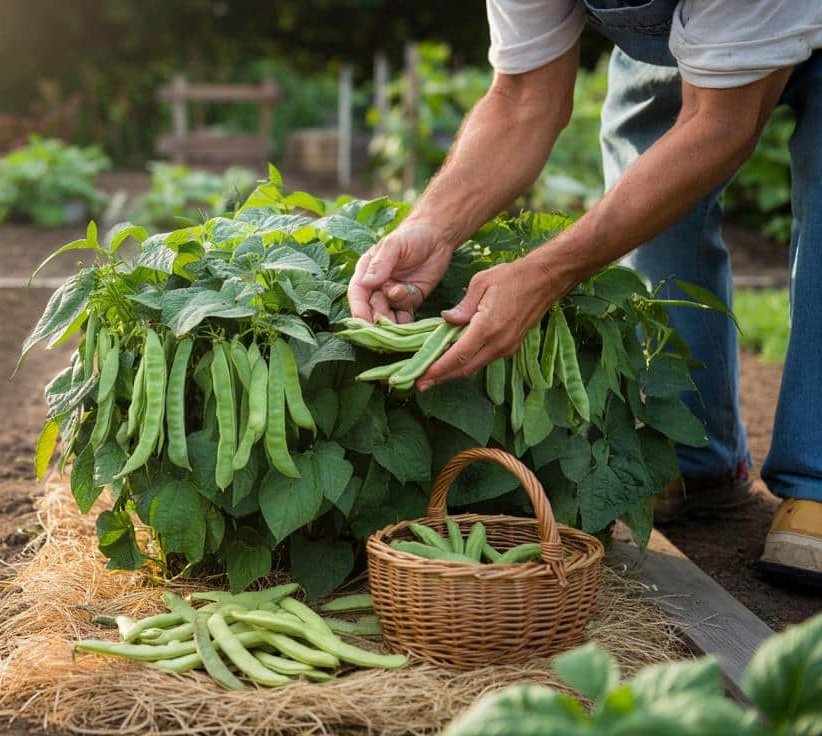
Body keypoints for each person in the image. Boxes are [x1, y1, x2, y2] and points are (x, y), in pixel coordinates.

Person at [348, 0, 822, 586]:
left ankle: (817, 480)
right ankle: (699, 458)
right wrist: (430, 225)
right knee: (654, 218)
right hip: (687, 36)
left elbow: (725, 126)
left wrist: (547, 272)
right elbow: (523, 98)